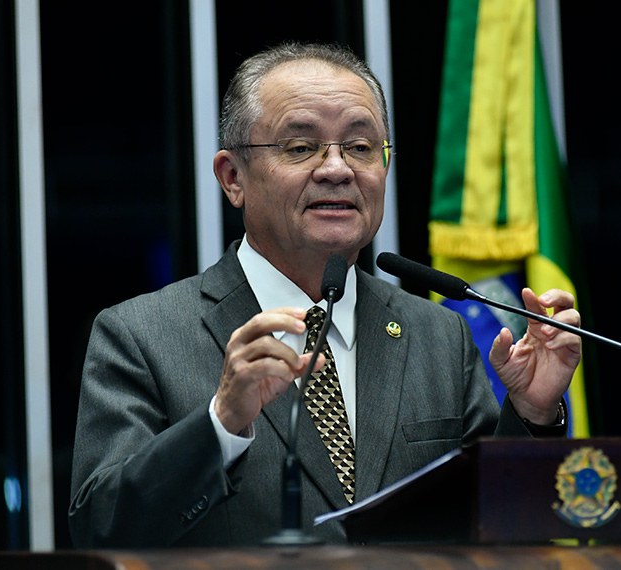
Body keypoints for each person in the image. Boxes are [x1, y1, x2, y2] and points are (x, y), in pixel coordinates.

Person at [68, 41, 581, 548]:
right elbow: (101, 528)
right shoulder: (141, 337)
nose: (337, 169)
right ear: (233, 178)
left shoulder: (437, 334)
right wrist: (220, 423)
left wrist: (532, 412)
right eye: (300, 147)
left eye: (360, 147)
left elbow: (495, 525)